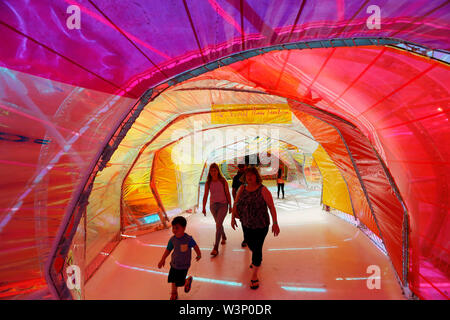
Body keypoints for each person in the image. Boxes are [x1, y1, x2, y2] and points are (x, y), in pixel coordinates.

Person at [231, 166, 280, 289]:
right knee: (251, 245)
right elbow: (236, 203)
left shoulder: (263, 190)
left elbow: (271, 206)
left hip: (261, 225)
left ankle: (254, 276)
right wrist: (232, 218)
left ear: (256, 176)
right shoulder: (242, 188)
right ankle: (256, 259)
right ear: (245, 177)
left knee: (257, 248)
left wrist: (275, 222)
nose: (249, 177)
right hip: (246, 223)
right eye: (247, 175)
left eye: (252, 175)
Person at [158, 216, 201, 300]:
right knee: (173, 280)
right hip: (174, 264)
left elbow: (195, 246)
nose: (174, 230)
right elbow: (168, 250)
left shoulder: (188, 239)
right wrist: (162, 259)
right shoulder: (172, 240)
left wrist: (199, 254)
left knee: (180, 282)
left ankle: (187, 281)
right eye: (173, 228)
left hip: (184, 266)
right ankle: (174, 293)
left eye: (177, 228)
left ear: (184, 228)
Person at [202, 163, 232, 256]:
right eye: (211, 171)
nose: (213, 172)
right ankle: (223, 236)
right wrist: (203, 207)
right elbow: (206, 195)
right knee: (218, 224)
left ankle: (215, 247)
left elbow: (227, 193)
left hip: (223, 205)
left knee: (218, 224)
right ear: (209, 172)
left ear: (218, 171)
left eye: (215, 170)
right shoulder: (208, 182)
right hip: (213, 206)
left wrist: (230, 206)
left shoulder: (223, 181)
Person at [232, 163, 248, 247]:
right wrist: (236, 202)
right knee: (243, 221)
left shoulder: (249, 176)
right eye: (240, 167)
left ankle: (249, 237)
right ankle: (246, 238)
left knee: (250, 219)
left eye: (243, 166)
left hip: (250, 202)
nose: (241, 168)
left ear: (246, 167)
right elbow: (234, 191)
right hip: (241, 203)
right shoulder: (236, 178)